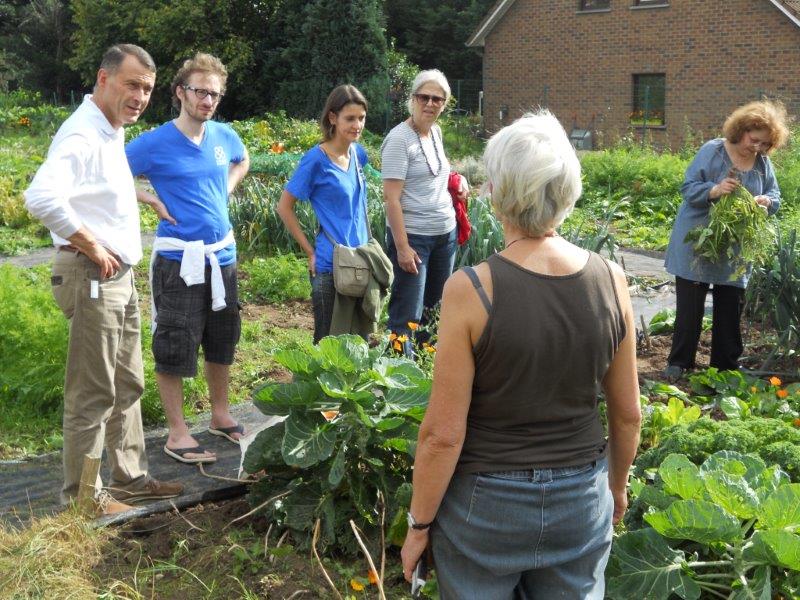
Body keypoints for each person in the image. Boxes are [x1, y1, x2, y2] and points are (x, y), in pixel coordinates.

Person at [400, 111, 641, 599]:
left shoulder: (471, 289)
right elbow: (627, 415)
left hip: (486, 505)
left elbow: (443, 435)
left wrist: (418, 524)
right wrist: (616, 487)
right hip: (581, 498)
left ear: (497, 192)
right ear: (568, 190)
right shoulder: (611, 280)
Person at [24, 44, 184, 512]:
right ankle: (85, 499)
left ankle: (130, 479)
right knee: (93, 392)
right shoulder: (82, 133)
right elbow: (41, 197)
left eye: (147, 89)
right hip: (93, 273)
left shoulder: (109, 128)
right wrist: (91, 244)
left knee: (127, 383)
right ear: (103, 78)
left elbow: (96, 185)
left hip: (117, 276)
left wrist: (142, 198)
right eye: (132, 84)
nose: (140, 97)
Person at [125, 53, 250, 464]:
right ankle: (177, 433)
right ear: (181, 92)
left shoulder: (223, 136)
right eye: (200, 91)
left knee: (221, 338)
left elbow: (243, 159)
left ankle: (220, 414)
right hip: (179, 259)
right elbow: (109, 172)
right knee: (175, 341)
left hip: (222, 255)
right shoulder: (155, 142)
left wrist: (227, 188)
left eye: (214, 94)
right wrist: (148, 199)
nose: (207, 100)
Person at [663, 100, 789, 380]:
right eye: (754, 140)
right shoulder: (713, 151)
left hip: (734, 248)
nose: (757, 148)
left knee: (730, 308)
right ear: (742, 130)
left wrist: (766, 202)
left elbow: (775, 195)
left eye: (764, 144)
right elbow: (688, 188)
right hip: (698, 242)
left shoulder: (762, 163)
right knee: (690, 310)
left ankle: (725, 366)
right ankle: (679, 362)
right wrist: (715, 190)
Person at [278, 85, 390, 342]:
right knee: (327, 345)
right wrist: (310, 252)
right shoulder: (316, 160)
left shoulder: (357, 154)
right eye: (350, 118)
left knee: (360, 344)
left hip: (361, 261)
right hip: (331, 266)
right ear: (332, 118)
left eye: (361, 118)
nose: (357, 125)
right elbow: (284, 207)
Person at [381, 69, 467, 353]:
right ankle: (397, 372)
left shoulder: (435, 133)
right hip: (414, 239)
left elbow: (436, 172)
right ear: (413, 99)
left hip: (444, 235)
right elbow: (391, 199)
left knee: (435, 311)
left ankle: (427, 368)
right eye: (424, 97)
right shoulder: (399, 139)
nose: (430, 104)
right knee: (406, 314)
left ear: (444, 104)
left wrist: (459, 180)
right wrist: (402, 248)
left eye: (437, 99)